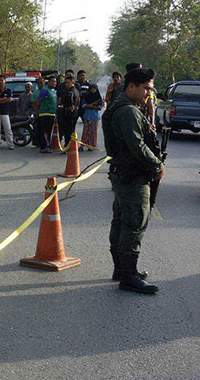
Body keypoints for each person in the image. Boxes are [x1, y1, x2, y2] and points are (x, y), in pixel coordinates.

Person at [101, 67, 163, 294]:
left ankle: (123, 270)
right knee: (134, 223)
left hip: (123, 173)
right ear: (131, 87)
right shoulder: (128, 111)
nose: (149, 93)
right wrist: (157, 165)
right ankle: (127, 276)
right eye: (146, 88)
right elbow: (137, 145)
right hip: (132, 175)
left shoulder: (124, 106)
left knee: (121, 220)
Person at [33, 76, 58, 153]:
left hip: (52, 114)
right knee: (44, 131)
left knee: (49, 131)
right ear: (48, 82)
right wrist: (36, 111)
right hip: (44, 114)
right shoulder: (44, 90)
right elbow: (38, 101)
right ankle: (43, 147)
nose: (54, 83)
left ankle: (47, 145)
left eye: (55, 81)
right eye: (52, 81)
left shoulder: (53, 91)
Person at [57, 76, 80, 148]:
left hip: (69, 113)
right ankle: (68, 146)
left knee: (68, 131)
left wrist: (71, 106)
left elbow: (71, 101)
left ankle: (68, 147)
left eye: (68, 83)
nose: (66, 84)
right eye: (65, 83)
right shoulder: (75, 90)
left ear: (73, 82)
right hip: (72, 113)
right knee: (69, 131)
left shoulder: (71, 91)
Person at [0, 75, 14, 150]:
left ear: (5, 81)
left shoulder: (9, 90)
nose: (0, 82)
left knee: (7, 129)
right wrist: (4, 99)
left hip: (5, 112)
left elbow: (10, 99)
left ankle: (10, 144)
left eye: (2, 80)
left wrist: (0, 100)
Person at [80, 83, 103, 151]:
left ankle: (92, 145)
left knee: (93, 131)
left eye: (94, 89)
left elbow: (100, 107)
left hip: (95, 117)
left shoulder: (98, 98)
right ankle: (83, 145)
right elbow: (83, 105)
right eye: (92, 89)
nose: (93, 90)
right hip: (87, 116)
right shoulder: (87, 97)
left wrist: (90, 106)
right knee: (86, 131)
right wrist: (92, 106)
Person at [30, 77, 45, 148]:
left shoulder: (47, 91)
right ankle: (37, 142)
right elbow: (33, 103)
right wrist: (36, 112)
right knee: (37, 128)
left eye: (42, 82)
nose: (40, 84)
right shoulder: (35, 93)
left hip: (46, 112)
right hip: (38, 113)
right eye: (39, 83)